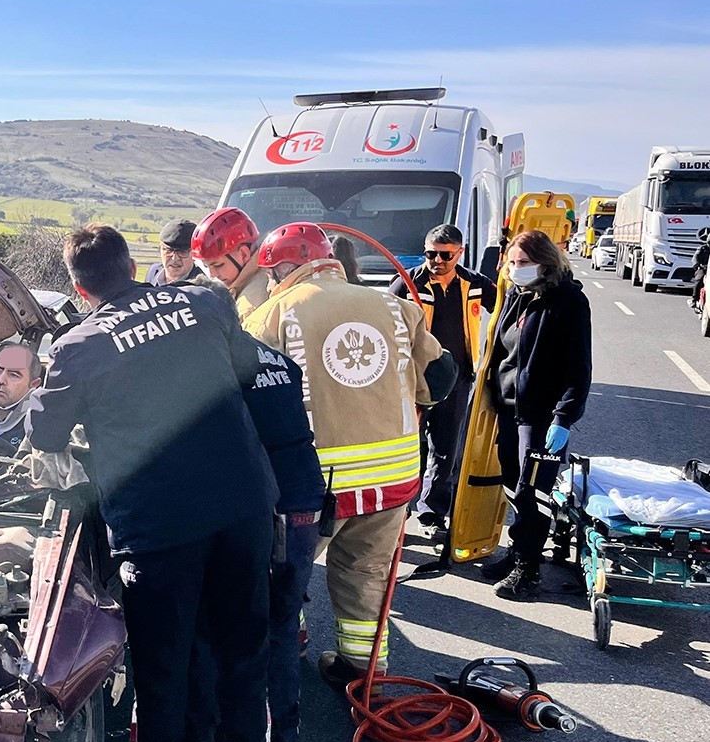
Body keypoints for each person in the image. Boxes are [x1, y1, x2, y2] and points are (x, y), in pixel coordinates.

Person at [27, 224, 289, 742]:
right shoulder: (204, 302)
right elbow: (248, 370)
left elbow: (44, 433)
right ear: (132, 266)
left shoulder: (78, 346)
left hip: (157, 528)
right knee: (244, 647)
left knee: (161, 664)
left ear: (80, 289)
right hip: (240, 504)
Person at [244, 224, 455, 687]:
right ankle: (363, 674)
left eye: (271, 274)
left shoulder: (271, 315)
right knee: (367, 573)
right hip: (394, 477)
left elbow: (252, 400)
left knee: (282, 574)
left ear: (282, 268)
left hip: (315, 485)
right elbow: (440, 379)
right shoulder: (395, 306)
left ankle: (288, 648)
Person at [479, 230, 592, 600]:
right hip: (509, 407)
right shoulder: (518, 295)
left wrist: (564, 418)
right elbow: (502, 350)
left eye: (524, 262)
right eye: (512, 262)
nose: (516, 269)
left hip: (541, 416)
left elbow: (579, 369)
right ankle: (518, 551)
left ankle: (528, 572)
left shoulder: (569, 301)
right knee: (514, 487)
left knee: (534, 492)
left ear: (545, 262)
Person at [389, 224, 497, 541]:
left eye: (445, 255)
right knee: (407, 447)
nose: (437, 261)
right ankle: (396, 513)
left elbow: (506, 307)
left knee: (445, 448)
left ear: (460, 253)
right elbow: (384, 317)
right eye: (431, 254)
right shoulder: (408, 282)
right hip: (413, 379)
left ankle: (432, 512)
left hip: (457, 378)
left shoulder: (474, 283)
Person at [191, 207, 271, 321]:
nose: (212, 274)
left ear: (243, 254)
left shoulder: (249, 306)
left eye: (218, 265)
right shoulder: (258, 278)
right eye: (206, 266)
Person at [145, 219, 203, 286]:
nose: (174, 258)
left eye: (182, 252)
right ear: (160, 249)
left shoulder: (203, 285)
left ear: (196, 254)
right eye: (168, 250)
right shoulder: (153, 272)